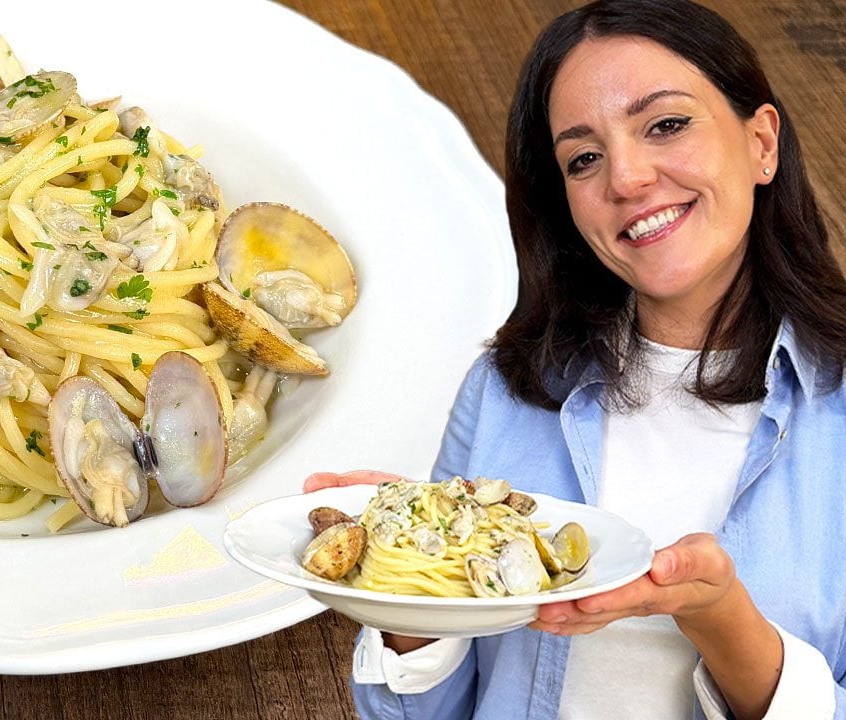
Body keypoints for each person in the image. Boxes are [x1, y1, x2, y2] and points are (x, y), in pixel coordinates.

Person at [304, 0, 846, 717]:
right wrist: (406, 570)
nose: (625, 179)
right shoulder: (506, 390)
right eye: (583, 158)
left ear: (762, 143)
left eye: (666, 125)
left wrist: (721, 620)